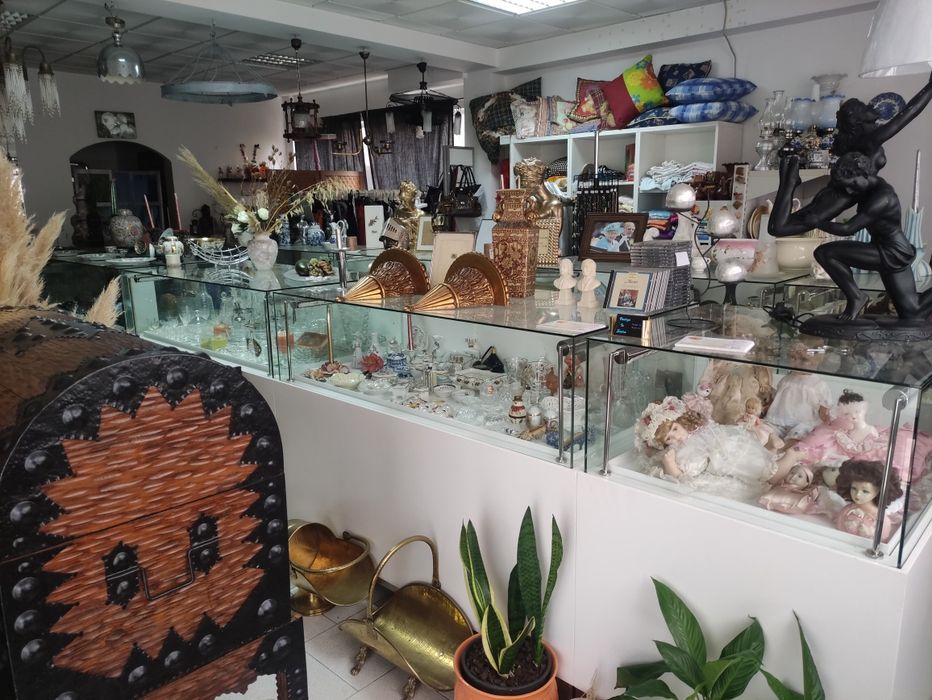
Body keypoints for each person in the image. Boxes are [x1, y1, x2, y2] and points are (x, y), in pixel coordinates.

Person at [768, 71, 932, 323]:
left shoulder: (866, 157)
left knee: (913, 311)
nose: (871, 113)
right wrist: (929, 88)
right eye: (864, 111)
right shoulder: (869, 141)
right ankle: (789, 184)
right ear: (858, 120)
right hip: (843, 193)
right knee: (779, 228)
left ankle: (789, 184)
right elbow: (907, 114)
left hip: (866, 217)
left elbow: (905, 115)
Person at [636, 397, 802, 501]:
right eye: (669, 438)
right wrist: (669, 462)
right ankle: (775, 452)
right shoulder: (686, 446)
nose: (676, 437)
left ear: (681, 421)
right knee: (756, 463)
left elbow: (687, 474)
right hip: (730, 451)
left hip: (730, 452)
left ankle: (788, 456)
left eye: (675, 429)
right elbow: (685, 475)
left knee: (765, 473)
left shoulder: (693, 440)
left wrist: (671, 465)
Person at [834, 459, 903, 541]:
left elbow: (881, 540)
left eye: (865, 491)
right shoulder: (846, 511)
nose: (858, 494)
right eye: (854, 488)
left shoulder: (881, 520)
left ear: (878, 491)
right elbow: (839, 530)